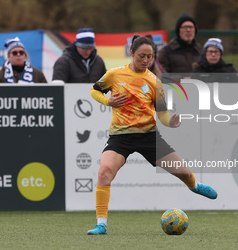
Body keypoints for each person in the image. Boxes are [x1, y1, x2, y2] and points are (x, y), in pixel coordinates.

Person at [87, 35, 217, 235]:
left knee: (183, 172)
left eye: (150, 56)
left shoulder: (155, 82)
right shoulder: (114, 75)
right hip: (120, 137)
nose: (146, 60)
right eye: (141, 56)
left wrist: (170, 122)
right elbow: (94, 91)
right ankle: (101, 224)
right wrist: (108, 101)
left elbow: (162, 114)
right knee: (104, 172)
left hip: (149, 136)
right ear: (131, 53)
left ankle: (194, 185)